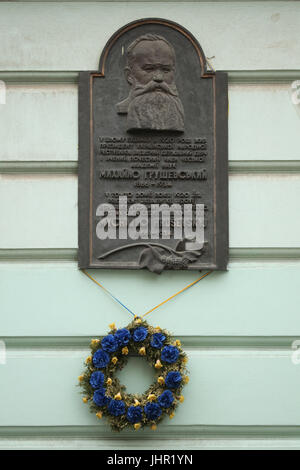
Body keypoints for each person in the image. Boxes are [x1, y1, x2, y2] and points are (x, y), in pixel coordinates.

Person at [116, 34, 184, 132]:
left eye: (165, 70)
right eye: (149, 69)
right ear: (129, 76)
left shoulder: (177, 109)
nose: (159, 78)